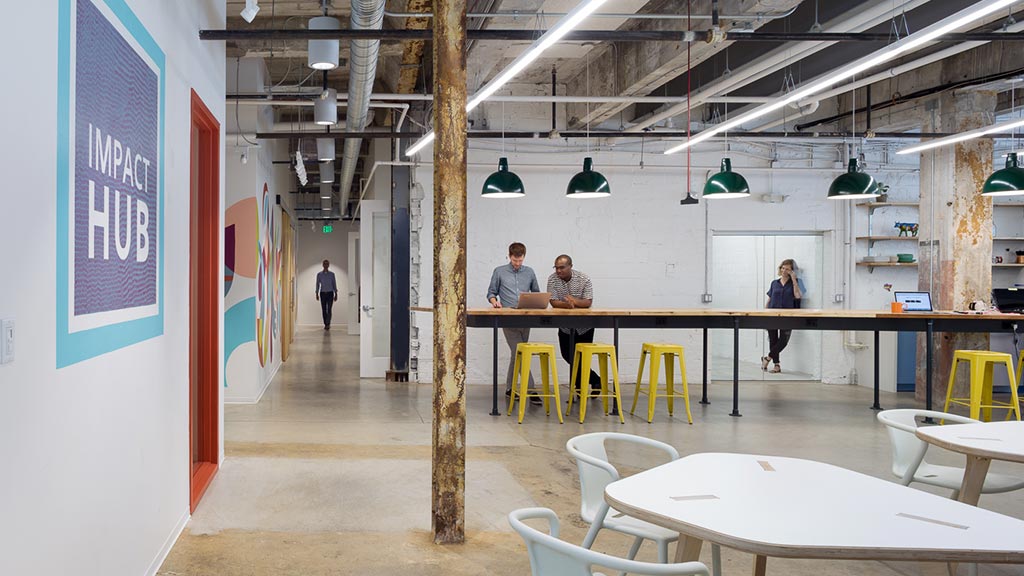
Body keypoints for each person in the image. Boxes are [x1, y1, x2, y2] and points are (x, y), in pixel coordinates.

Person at [486, 242, 542, 404]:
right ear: (509, 256)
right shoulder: (499, 271)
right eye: (515, 260)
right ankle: (531, 390)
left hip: (526, 317)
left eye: (520, 260)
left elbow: (536, 293)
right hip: (508, 317)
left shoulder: (530, 272)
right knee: (520, 352)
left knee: (517, 353)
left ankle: (510, 389)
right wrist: (494, 301)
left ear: (524, 257)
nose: (517, 264)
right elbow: (491, 292)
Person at [547, 254, 602, 397]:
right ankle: (596, 380)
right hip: (565, 325)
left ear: (570, 266)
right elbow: (553, 301)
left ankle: (580, 390)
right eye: (556, 267)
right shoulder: (552, 279)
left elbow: (588, 302)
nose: (558, 271)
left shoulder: (584, 279)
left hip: (584, 326)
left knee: (582, 357)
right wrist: (568, 305)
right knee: (567, 355)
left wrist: (575, 302)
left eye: (562, 268)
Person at [762, 258, 805, 373]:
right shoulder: (774, 283)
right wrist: (765, 312)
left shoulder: (796, 282)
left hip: (788, 315)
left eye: (787, 269)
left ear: (792, 271)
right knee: (773, 340)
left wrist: (794, 280)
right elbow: (770, 298)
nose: (784, 270)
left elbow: (797, 296)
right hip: (772, 314)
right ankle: (777, 365)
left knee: (783, 340)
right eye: (782, 268)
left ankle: (767, 358)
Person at [315, 259, 338, 331]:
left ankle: (328, 324)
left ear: (328, 265)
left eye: (327, 264)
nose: (325, 265)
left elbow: (334, 284)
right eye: (324, 264)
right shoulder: (319, 274)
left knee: (329, 309)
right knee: (324, 309)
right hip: (322, 293)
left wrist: (336, 294)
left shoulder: (332, 274)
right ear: (322, 265)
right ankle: (326, 324)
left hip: (330, 293)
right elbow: (317, 284)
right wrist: (317, 293)